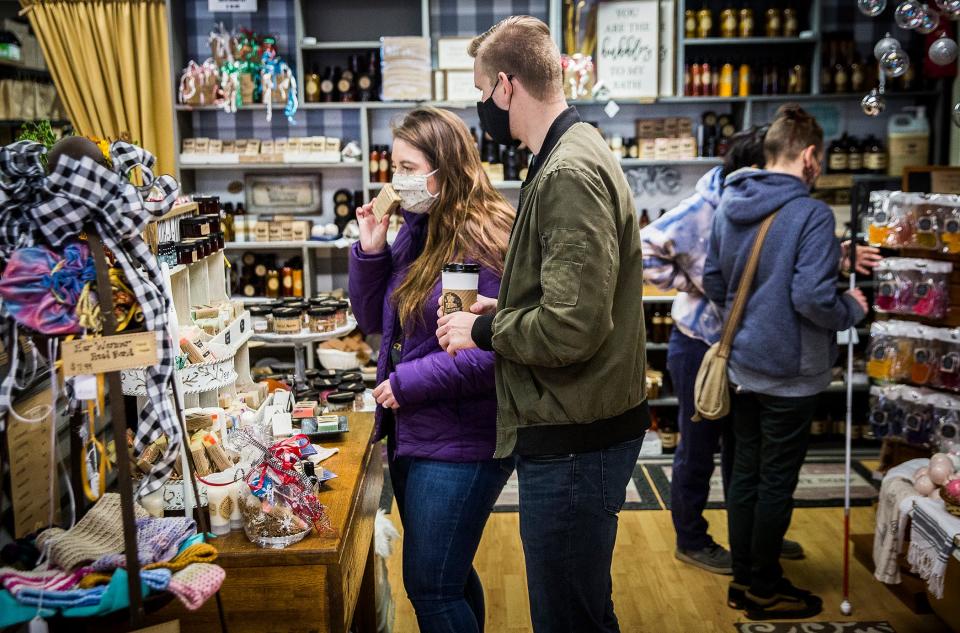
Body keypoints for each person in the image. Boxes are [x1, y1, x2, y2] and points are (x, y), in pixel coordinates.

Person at [436, 16, 648, 633]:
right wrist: (500, 312)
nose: (480, 108)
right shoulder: (566, 152)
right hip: (577, 424)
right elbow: (569, 301)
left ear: (505, 87)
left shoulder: (566, 174)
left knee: (568, 617)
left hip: (577, 434)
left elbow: (571, 330)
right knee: (579, 605)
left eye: (480, 93)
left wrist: (481, 332)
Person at [348, 106, 515, 633]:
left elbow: (480, 354)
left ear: (445, 168)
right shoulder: (420, 228)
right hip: (420, 433)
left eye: (407, 167)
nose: (396, 182)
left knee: (430, 587)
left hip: (461, 441)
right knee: (450, 577)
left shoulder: (475, 239)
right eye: (392, 167)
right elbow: (377, 322)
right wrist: (371, 251)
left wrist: (403, 384)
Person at [702, 104, 869, 620]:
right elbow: (813, 298)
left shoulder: (730, 202)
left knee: (743, 475)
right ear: (811, 156)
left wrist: (747, 317)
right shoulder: (811, 214)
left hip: (741, 365)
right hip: (790, 373)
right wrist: (852, 310)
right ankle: (765, 586)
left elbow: (712, 280)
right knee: (775, 479)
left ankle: (745, 580)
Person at [640, 127, 810, 574]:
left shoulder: (757, 205)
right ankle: (691, 539)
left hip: (743, 346)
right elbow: (646, 248)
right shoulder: (705, 205)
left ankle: (753, 533)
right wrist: (694, 284)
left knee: (743, 447)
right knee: (697, 448)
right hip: (699, 344)